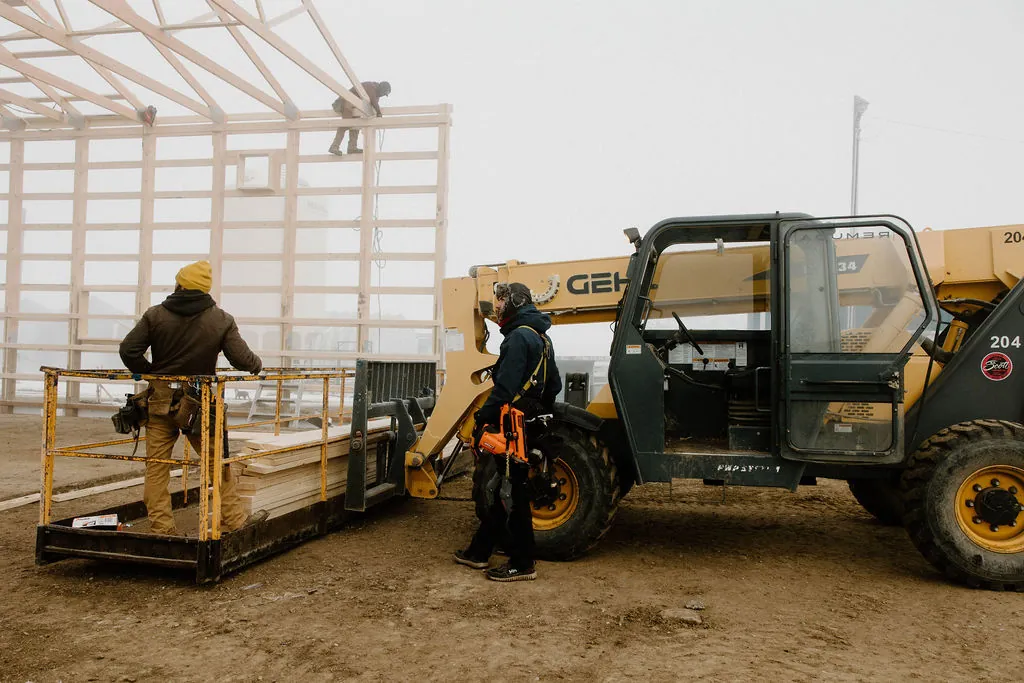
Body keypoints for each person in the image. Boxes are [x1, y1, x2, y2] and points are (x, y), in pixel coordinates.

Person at [119, 260, 266, 536]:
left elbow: (128, 350)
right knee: (216, 463)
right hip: (199, 404)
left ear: (180, 284)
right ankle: (234, 521)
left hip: (161, 400)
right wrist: (257, 364)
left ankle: (163, 530)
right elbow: (241, 359)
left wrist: (150, 373)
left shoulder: (155, 315)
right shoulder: (221, 319)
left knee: (157, 467)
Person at [454, 282, 562, 582]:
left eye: (500, 300)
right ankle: (479, 551)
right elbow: (554, 386)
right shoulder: (543, 339)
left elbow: (503, 388)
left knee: (509, 492)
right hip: (529, 423)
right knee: (503, 488)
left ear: (514, 301)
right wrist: (534, 410)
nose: (496, 306)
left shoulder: (517, 338)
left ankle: (523, 563)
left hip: (512, 426)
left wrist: (483, 417)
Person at [328, 81, 391, 156]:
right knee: (346, 124)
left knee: (356, 126)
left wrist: (376, 113)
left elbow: (372, 105)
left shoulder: (376, 95)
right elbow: (373, 100)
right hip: (348, 103)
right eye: (384, 93)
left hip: (356, 108)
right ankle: (334, 146)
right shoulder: (371, 86)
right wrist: (378, 112)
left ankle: (352, 147)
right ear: (381, 89)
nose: (383, 95)